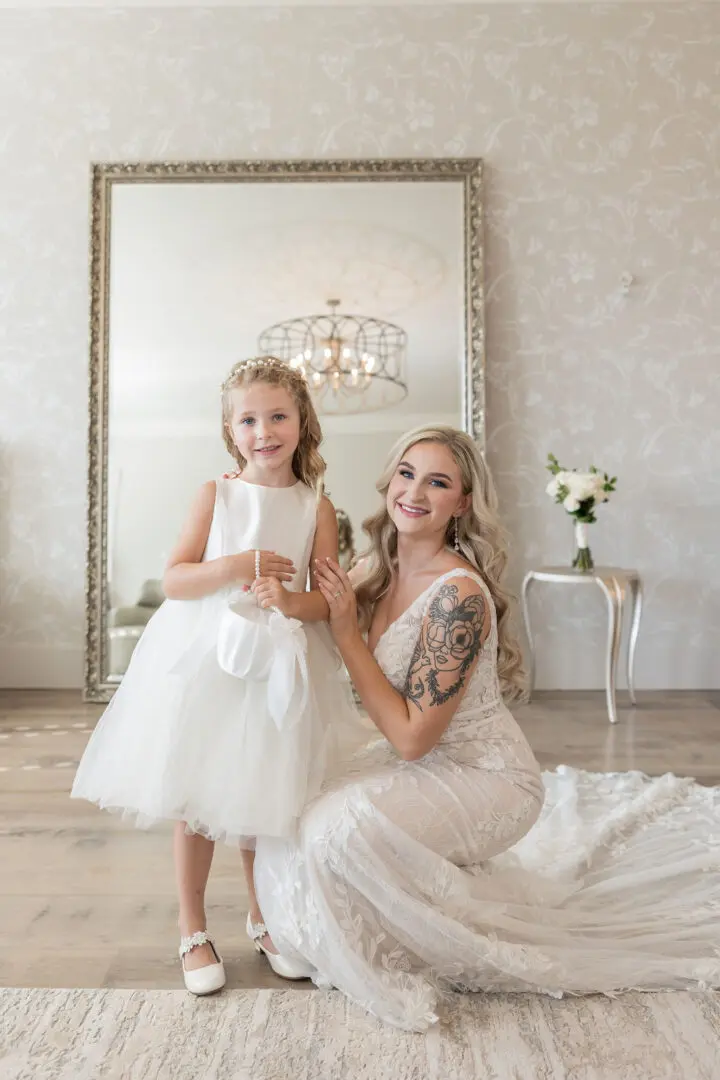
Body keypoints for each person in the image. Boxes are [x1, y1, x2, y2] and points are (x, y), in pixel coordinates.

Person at [251, 425, 720, 1032]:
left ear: (462, 502)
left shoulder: (458, 597)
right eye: (406, 473)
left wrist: (346, 633)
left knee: (333, 830)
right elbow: (315, 608)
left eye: (438, 481)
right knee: (293, 808)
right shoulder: (377, 566)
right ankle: (322, 929)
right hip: (418, 761)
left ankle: (405, 940)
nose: (414, 492)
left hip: (486, 777)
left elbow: (414, 737)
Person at [72, 356, 365, 996]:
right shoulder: (217, 494)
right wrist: (237, 563)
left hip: (282, 660)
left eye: (278, 416)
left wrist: (291, 600)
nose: (265, 430)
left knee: (267, 792)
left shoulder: (317, 505)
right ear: (232, 430)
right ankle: (194, 926)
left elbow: (328, 597)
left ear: (301, 422)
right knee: (201, 797)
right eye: (249, 419)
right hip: (210, 656)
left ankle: (267, 916)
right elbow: (176, 578)